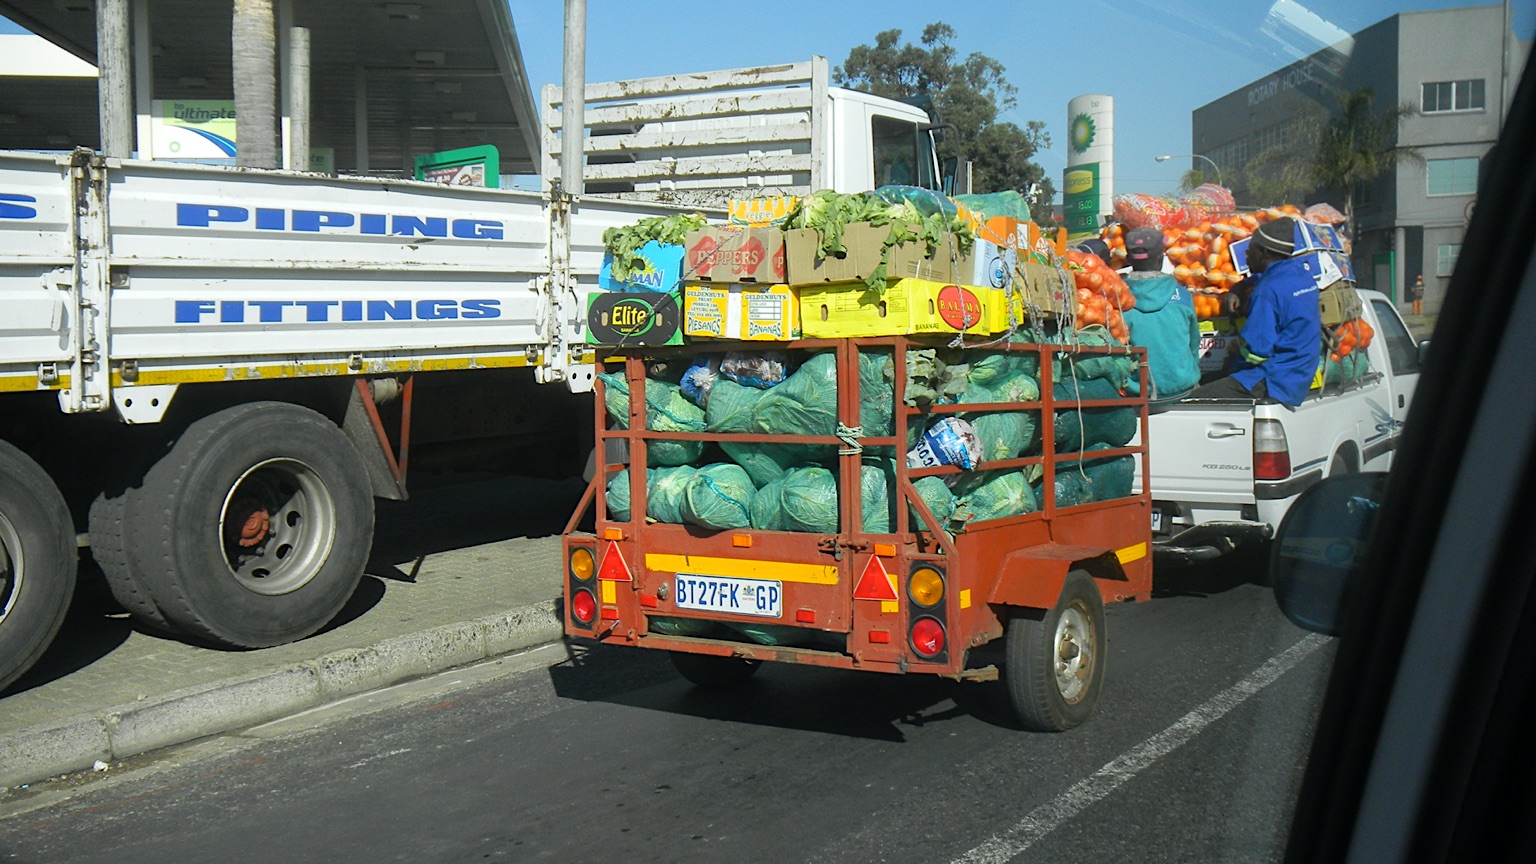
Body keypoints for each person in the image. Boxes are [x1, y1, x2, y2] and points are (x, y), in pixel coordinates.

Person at [1187, 216, 1321, 407]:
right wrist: (1237, 289)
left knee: (1191, 400)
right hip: (1299, 373)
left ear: (1264, 253)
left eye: (1250, 251)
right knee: (1210, 381)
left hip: (1274, 379)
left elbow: (1257, 351)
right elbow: (1260, 278)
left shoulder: (1267, 291)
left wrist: (1232, 362)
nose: (1246, 256)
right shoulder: (1302, 275)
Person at [1119, 226, 1201, 402]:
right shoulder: (1183, 297)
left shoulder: (1118, 302)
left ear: (1127, 259)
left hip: (1140, 395)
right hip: (1183, 391)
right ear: (1161, 258)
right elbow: (1194, 344)